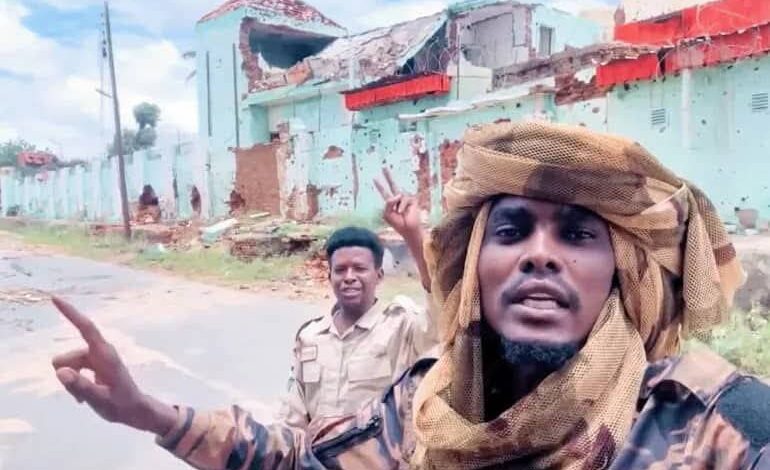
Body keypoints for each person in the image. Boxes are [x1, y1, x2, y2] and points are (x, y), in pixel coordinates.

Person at [51, 121, 770, 469]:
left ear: (623, 274)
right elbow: (302, 460)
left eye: (578, 235)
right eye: (511, 231)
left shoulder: (717, 427)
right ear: (474, 269)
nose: (539, 254)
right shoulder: (426, 405)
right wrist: (143, 411)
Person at [278, 184, 438, 428]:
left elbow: (441, 306)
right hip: (317, 452)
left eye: (360, 268)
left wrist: (413, 235)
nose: (349, 277)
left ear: (379, 275)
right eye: (340, 270)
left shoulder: (402, 326)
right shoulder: (310, 337)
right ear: (329, 276)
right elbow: (292, 416)